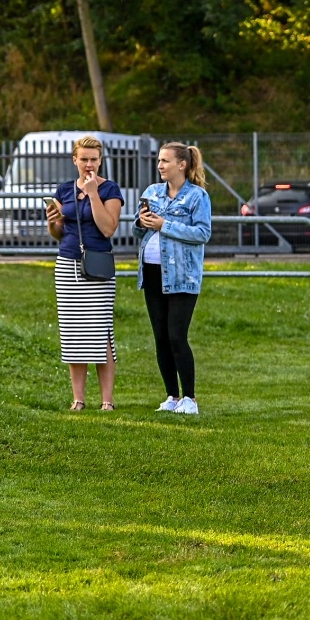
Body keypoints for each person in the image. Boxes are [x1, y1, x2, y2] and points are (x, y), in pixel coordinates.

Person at [43, 135, 124, 411]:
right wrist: (53, 222)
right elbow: (58, 233)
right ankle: (78, 399)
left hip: (98, 266)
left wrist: (92, 193)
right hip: (68, 265)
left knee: (100, 332)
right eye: (84, 159)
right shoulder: (64, 190)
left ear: (100, 161)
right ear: (74, 160)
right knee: (74, 333)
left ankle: (107, 400)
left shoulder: (110, 189)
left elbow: (108, 228)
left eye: (94, 159)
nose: (89, 164)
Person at [133, 142, 213, 415]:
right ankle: (171, 396)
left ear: (182, 164)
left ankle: (190, 398)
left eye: (165, 160)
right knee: (160, 338)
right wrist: (142, 222)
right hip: (152, 274)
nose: (160, 165)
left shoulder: (197, 197)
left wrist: (164, 225)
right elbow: (137, 229)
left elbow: (202, 233)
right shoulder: (152, 192)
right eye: (159, 160)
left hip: (182, 277)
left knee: (176, 335)